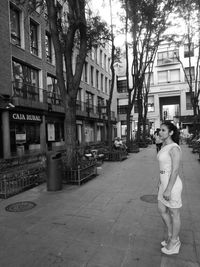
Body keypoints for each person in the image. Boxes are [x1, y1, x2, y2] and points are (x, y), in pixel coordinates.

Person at [157, 121, 182, 255]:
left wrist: (168, 189)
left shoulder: (174, 148)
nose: (160, 132)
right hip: (163, 183)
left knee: (174, 213)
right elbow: (162, 168)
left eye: (163, 130)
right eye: (160, 130)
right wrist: (159, 183)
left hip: (172, 185)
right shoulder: (163, 146)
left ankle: (174, 242)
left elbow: (175, 169)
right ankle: (171, 234)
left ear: (171, 132)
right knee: (161, 209)